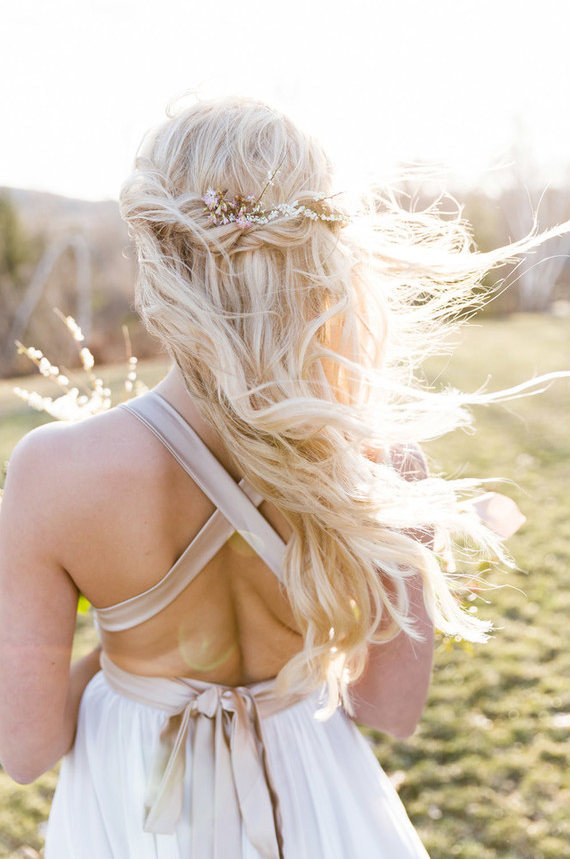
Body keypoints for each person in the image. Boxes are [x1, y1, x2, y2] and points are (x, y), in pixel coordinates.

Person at [0, 97, 534, 858]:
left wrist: (120, 651)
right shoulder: (383, 457)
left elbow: (26, 751)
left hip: (133, 799)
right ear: (323, 255)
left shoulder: (53, 471)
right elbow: (390, 708)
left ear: (154, 254)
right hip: (316, 796)